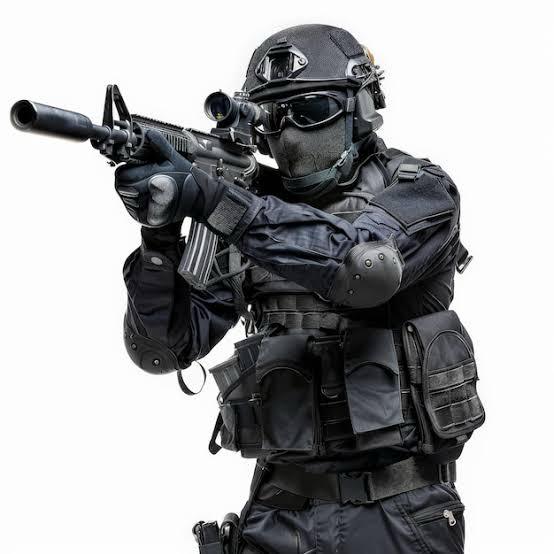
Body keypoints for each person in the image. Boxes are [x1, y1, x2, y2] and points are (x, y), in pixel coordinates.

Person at [115, 24, 484, 554]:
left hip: (397, 511)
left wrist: (217, 203)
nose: (288, 136)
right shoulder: (246, 212)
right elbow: (162, 349)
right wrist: (160, 236)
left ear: (360, 107)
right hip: (278, 508)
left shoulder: (419, 189)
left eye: (310, 111)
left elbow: (363, 267)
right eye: (272, 117)